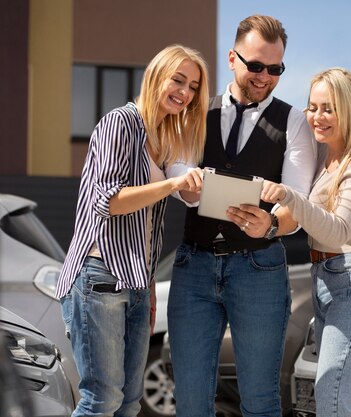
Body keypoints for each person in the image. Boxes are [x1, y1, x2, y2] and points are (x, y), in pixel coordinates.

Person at [166, 15, 317, 417]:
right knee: (191, 402)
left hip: (259, 268)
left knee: (261, 402)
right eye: (255, 66)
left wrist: (271, 223)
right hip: (193, 265)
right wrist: (190, 188)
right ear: (233, 58)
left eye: (275, 69)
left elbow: (297, 201)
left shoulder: (294, 122)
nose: (264, 76)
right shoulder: (197, 111)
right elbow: (177, 167)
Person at [248, 67, 351, 417]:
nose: (317, 117)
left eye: (329, 108)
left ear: (350, 111)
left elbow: (339, 229)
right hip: (331, 281)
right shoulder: (328, 161)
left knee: (334, 397)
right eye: (312, 107)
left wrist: (290, 197)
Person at [56, 44, 209, 417]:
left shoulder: (162, 137)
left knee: (128, 402)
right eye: (178, 80)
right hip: (99, 277)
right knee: (101, 399)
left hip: (136, 282)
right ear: (156, 75)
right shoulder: (119, 123)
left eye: (192, 86)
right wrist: (172, 186)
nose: (184, 93)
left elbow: (145, 225)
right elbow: (107, 201)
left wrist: (149, 283)